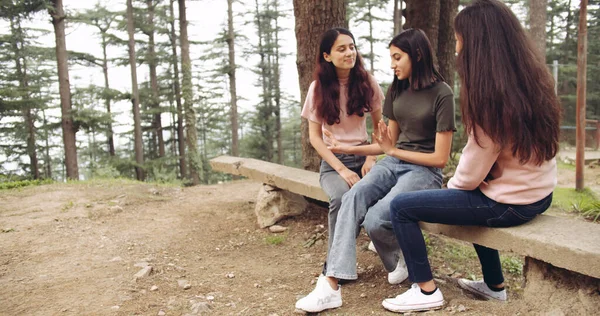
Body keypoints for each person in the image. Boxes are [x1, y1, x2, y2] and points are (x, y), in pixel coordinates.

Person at [381, 0, 561, 313]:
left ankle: (425, 290)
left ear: (477, 44)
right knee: (473, 196)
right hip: (540, 194)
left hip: (511, 204)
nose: (457, 48)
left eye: (459, 40)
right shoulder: (532, 80)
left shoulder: (490, 96)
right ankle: (494, 286)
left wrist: (453, 185)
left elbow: (472, 169)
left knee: (401, 207)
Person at [296, 28, 456, 313]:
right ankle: (330, 284)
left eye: (396, 57)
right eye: (391, 58)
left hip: (424, 170)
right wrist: (350, 152)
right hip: (394, 163)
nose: (392, 64)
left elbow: (440, 159)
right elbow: (387, 144)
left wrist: (388, 152)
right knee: (350, 197)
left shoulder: (442, 94)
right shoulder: (397, 89)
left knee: (375, 219)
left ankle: (402, 259)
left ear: (417, 55)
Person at [300, 27, 384, 285]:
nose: (349, 53)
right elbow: (315, 138)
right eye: (341, 49)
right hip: (334, 164)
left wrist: (371, 160)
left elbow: (380, 128)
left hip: (365, 157)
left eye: (351, 47)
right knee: (340, 197)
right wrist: (343, 170)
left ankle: (396, 261)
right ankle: (335, 267)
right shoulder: (317, 89)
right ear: (327, 56)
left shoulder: (367, 81)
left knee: (382, 203)